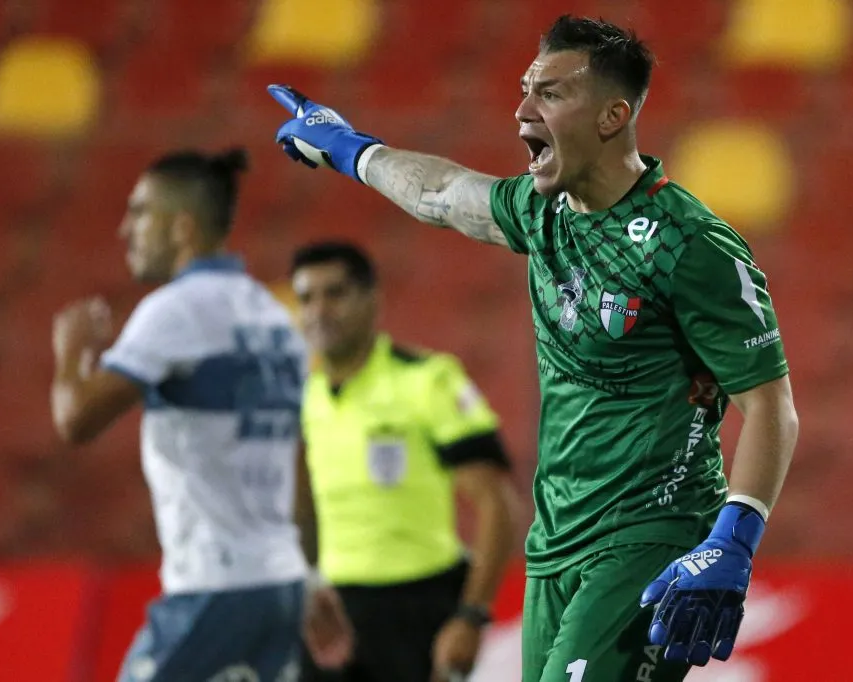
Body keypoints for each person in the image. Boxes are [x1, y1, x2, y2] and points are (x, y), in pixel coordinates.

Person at [265, 14, 800, 682]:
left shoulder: (688, 245)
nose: (522, 110)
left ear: (612, 116)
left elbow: (771, 403)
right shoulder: (543, 213)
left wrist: (735, 537)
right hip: (554, 547)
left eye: (550, 93)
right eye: (524, 89)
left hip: (648, 534)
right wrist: (352, 150)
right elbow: (443, 194)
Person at [49, 148, 351, 681]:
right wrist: (308, 574)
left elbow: (76, 421)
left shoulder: (176, 311)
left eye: (140, 212)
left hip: (215, 588)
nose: (125, 229)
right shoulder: (272, 318)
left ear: (182, 226)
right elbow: (298, 462)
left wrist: (71, 351)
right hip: (277, 586)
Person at [289, 241, 520, 682]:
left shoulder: (427, 380)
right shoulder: (305, 398)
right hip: (334, 609)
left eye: (335, 293)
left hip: (421, 609)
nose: (319, 310)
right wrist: (307, 584)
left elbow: (497, 506)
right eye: (306, 297)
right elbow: (305, 509)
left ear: (372, 299)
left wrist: (471, 617)